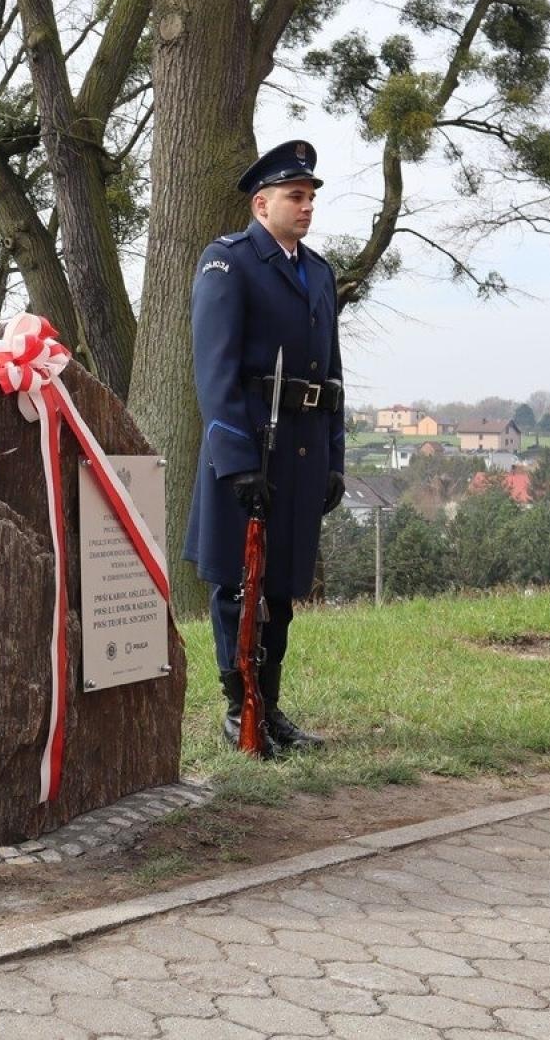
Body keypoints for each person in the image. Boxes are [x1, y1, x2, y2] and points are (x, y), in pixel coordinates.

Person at [183, 140, 345, 757]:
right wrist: (237, 460)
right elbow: (214, 372)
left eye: (310, 198)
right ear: (262, 203)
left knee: (278, 588)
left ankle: (269, 708)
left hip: (302, 452)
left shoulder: (319, 272)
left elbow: (331, 374)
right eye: (295, 197)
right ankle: (237, 709)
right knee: (237, 585)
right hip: (251, 450)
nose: (306, 208)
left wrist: (334, 457)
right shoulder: (229, 264)